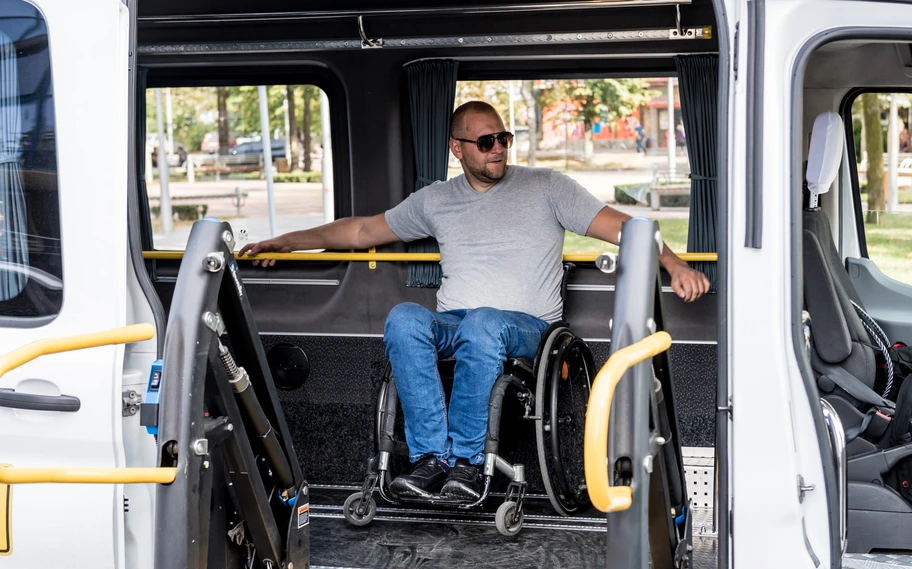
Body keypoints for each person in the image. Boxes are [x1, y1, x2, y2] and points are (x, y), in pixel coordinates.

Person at [240, 101, 710, 502]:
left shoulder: (548, 187)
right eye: (486, 142)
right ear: (457, 149)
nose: (498, 148)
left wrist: (675, 265)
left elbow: (626, 228)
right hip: (459, 321)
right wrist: (286, 241)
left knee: (483, 323)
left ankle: (466, 463)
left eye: (504, 138)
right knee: (404, 318)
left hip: (529, 328)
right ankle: (430, 459)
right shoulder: (436, 200)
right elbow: (362, 230)